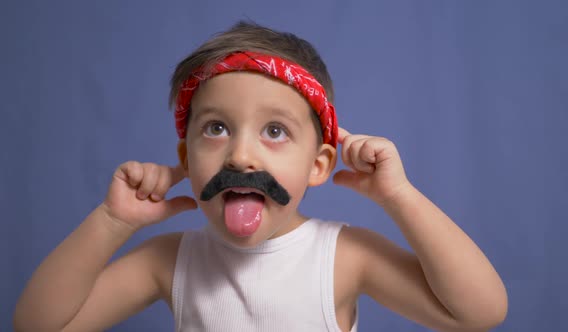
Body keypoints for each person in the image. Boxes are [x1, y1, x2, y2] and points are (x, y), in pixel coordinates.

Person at [13, 21, 507, 332]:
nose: (241, 156)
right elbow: (37, 325)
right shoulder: (169, 261)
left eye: (274, 130)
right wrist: (110, 222)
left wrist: (398, 196)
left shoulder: (344, 258)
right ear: (186, 159)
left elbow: (479, 313)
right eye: (217, 128)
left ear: (318, 165)